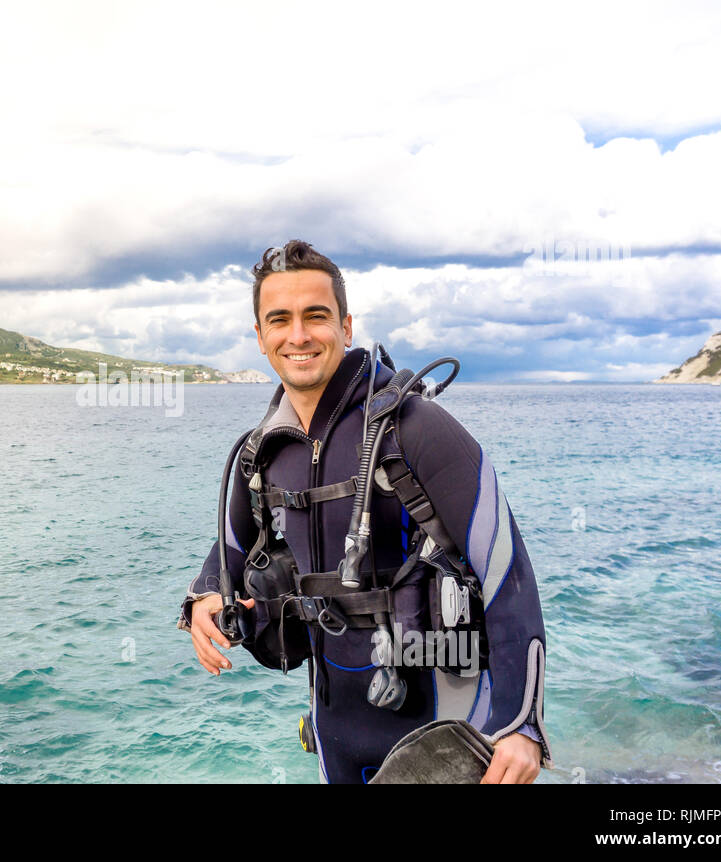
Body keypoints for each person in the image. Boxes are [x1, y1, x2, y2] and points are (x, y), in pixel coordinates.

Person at [179, 240, 551, 784]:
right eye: (279, 319)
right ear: (260, 338)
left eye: (316, 316)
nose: (299, 335)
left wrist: (521, 725)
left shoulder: (416, 428)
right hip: (335, 729)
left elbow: (507, 574)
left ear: (346, 327)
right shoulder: (261, 452)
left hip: (446, 728)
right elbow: (231, 548)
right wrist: (201, 596)